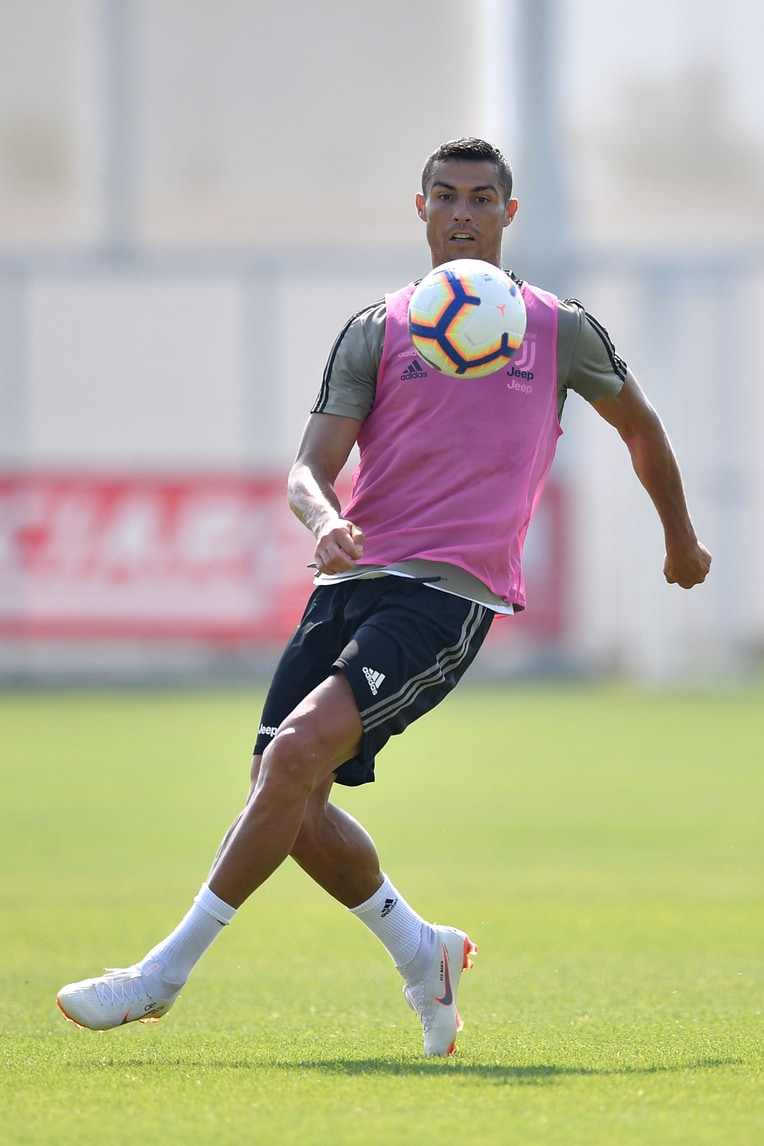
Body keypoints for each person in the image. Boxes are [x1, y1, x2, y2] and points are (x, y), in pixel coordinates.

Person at [56, 138, 712, 1056]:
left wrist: (680, 537)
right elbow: (307, 468)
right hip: (351, 581)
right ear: (420, 208)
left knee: (294, 757)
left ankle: (160, 975)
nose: (461, 214)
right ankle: (422, 950)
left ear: (508, 213)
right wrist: (324, 520)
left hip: (448, 592)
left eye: (480, 198)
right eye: (445, 196)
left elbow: (640, 426)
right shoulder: (377, 328)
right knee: (286, 797)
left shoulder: (558, 327)